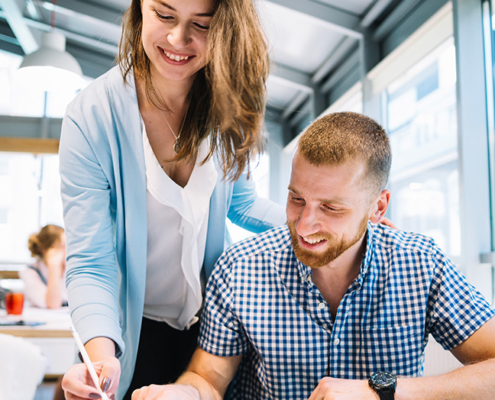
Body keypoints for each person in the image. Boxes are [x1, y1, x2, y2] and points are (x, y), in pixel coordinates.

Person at [132, 112, 495, 400]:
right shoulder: (240, 267)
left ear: (377, 207)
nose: (305, 226)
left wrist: (382, 390)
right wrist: (181, 393)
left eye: (331, 208)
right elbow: (208, 378)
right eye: (297, 199)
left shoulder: (420, 264)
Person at [58, 0, 287, 399]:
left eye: (202, 24)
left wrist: (328, 225)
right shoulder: (91, 115)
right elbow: (91, 262)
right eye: (164, 15)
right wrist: (102, 357)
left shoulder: (228, 100)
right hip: (125, 330)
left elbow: (244, 205)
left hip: (209, 331)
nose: (179, 39)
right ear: (139, 9)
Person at [19, 224, 67, 309]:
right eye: (61, 247)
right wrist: (54, 267)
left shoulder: (71, 267)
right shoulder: (30, 272)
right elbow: (53, 304)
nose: (66, 251)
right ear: (45, 250)